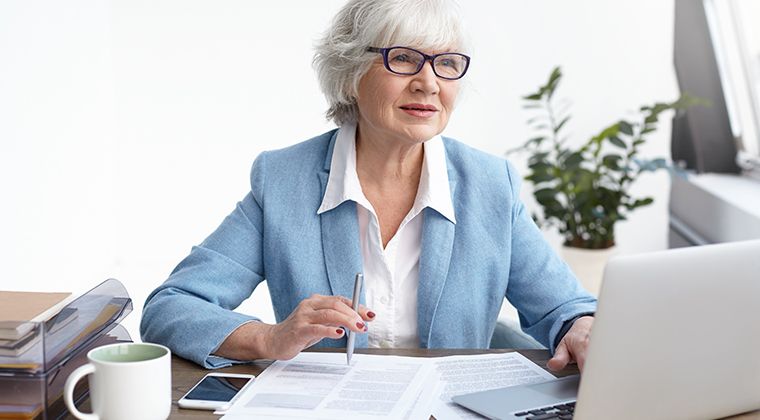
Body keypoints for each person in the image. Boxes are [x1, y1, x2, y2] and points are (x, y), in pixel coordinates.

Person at [140, 0, 596, 372]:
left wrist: (580, 326)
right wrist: (270, 337)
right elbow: (172, 306)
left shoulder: (490, 185)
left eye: (447, 64)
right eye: (403, 59)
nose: (429, 83)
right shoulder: (283, 180)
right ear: (350, 73)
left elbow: (567, 308)